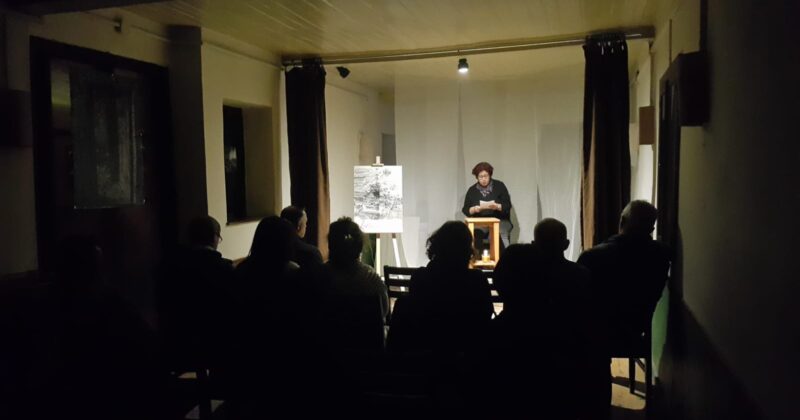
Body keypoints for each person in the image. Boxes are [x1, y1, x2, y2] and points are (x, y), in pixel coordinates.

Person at [316, 217, 388, 353]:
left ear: (330, 245)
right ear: (359, 247)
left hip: (325, 351)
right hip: (366, 352)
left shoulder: (317, 277)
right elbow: (383, 311)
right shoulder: (371, 279)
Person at [461, 161, 513, 251]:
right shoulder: (472, 190)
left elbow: (507, 205)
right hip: (480, 222)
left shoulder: (499, 186)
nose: (484, 179)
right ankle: (476, 257)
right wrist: (474, 209)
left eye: (486, 176)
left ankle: (506, 257)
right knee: (475, 234)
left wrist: (497, 206)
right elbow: (465, 209)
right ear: (476, 177)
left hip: (500, 220)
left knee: (499, 233)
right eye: (481, 177)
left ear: (490, 175)